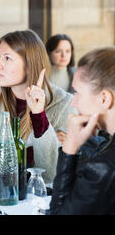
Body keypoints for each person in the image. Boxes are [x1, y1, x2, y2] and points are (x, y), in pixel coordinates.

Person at [0, 30, 75, 185]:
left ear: (29, 64)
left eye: (7, 58)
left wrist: (39, 115)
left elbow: (51, 172)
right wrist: (26, 160)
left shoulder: (63, 103)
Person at [50, 47, 115, 215]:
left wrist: (69, 148)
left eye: (77, 93)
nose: (73, 102)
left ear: (104, 99)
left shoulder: (101, 168)